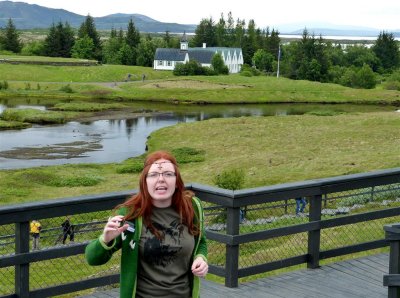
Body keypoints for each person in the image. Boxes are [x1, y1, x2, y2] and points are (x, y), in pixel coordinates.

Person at [85, 150, 208, 298]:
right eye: (154, 174)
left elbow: (200, 241)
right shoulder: (130, 214)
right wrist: (105, 240)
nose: (161, 179)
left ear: (177, 181)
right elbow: (92, 259)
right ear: (145, 182)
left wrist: (200, 258)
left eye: (168, 174)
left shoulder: (191, 207)